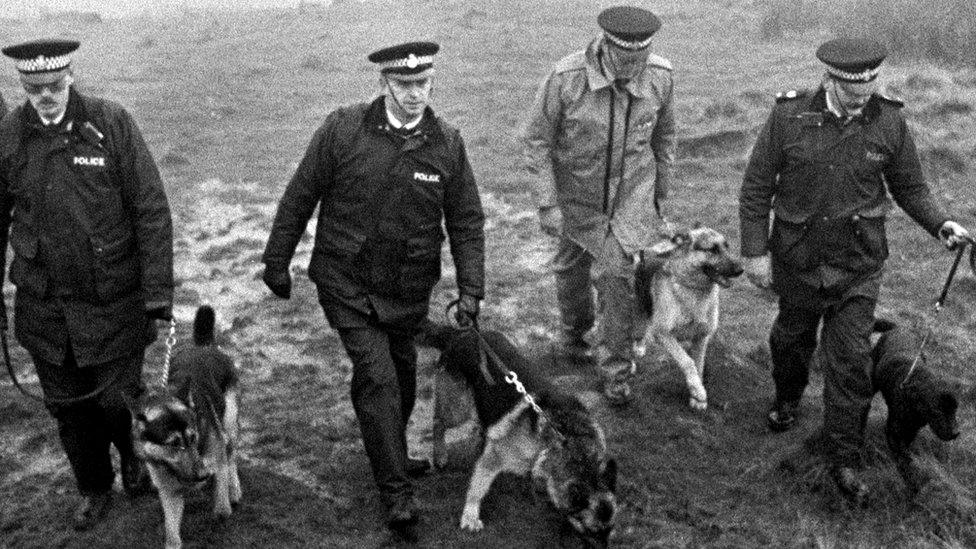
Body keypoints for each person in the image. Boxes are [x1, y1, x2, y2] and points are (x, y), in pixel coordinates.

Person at [261, 41, 485, 541]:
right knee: (378, 377)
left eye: (423, 84)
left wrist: (471, 289)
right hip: (347, 285)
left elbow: (466, 221)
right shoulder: (342, 130)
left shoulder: (447, 143)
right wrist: (277, 261)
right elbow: (301, 195)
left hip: (407, 290)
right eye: (403, 85)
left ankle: (393, 452)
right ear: (384, 84)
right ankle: (395, 491)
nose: (414, 95)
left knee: (402, 378)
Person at [739, 37, 970, 502]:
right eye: (851, 91)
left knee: (850, 365)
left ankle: (843, 460)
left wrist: (940, 223)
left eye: (868, 89)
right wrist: (754, 253)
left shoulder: (890, 120)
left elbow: (911, 187)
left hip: (858, 267)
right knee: (791, 340)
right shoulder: (788, 117)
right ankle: (787, 400)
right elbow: (756, 187)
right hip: (798, 260)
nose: (860, 98)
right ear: (830, 79)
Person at [0, 39, 174, 529]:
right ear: (23, 87)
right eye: (35, 89)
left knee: (117, 403)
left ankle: (135, 457)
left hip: (112, 300)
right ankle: (94, 488)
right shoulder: (9, 136)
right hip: (45, 308)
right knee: (69, 414)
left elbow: (150, 209)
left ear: (70, 77)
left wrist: (157, 292)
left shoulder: (110, 123)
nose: (47, 96)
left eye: (54, 86)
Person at [520, 5, 677, 405]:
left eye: (640, 59)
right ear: (605, 46)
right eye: (625, 59)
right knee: (570, 268)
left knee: (615, 274)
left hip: (629, 199)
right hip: (577, 197)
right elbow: (537, 140)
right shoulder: (566, 79)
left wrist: (659, 196)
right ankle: (575, 335)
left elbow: (665, 138)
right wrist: (547, 202)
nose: (632, 68)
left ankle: (616, 372)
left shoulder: (660, 77)